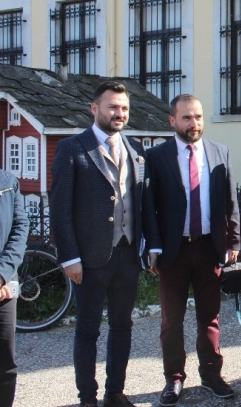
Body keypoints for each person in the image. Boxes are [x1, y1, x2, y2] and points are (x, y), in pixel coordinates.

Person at [50, 81, 146, 407]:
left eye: (123, 108)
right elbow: (60, 209)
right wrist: (69, 258)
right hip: (88, 259)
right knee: (88, 329)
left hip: (128, 255)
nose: (119, 113)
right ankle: (88, 398)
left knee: (122, 326)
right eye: (112, 107)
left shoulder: (136, 151)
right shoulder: (72, 149)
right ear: (95, 108)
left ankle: (114, 393)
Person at [142, 94, 240, 406]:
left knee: (210, 318)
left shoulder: (219, 151)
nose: (194, 123)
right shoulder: (157, 157)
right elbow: (149, 207)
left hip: (209, 249)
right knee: (171, 320)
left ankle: (212, 374)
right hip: (174, 253)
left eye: (198, 117)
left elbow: (230, 203)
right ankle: (173, 379)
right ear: (172, 121)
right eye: (186, 118)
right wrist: (153, 247)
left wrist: (234, 243)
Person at [0, 170, 29, 407]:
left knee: (5, 364)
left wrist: (2, 275)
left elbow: (20, 228)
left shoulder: (7, 181)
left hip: (4, 286)